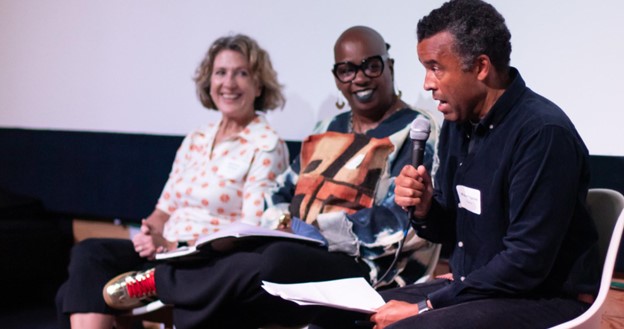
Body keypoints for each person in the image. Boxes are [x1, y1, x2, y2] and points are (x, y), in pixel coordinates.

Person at [100, 26, 436, 329]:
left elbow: (401, 223)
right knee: (237, 284)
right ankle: (171, 281)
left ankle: (163, 281)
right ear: (337, 79)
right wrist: (283, 222)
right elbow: (281, 189)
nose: (359, 78)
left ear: (390, 67)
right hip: (309, 253)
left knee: (273, 260)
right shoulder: (328, 128)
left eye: (371, 66)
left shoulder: (417, 131)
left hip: (371, 271)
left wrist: (316, 233)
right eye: (346, 70)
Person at [355, 0, 600, 328]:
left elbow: (525, 264)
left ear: (481, 67)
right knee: (350, 314)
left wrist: (428, 307)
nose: (427, 83)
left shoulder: (542, 134)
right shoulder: (458, 125)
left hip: (544, 297)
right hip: (476, 288)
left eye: (435, 67)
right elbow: (449, 231)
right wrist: (426, 207)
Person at [55, 33, 290, 329]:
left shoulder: (266, 144)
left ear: (259, 84)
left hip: (207, 260)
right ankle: (152, 276)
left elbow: (250, 232)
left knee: (71, 294)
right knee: (89, 253)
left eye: (241, 73)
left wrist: (172, 243)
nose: (228, 83)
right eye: (221, 73)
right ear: (209, 81)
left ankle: (156, 279)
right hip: (165, 253)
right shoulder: (197, 138)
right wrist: (148, 233)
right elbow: (164, 209)